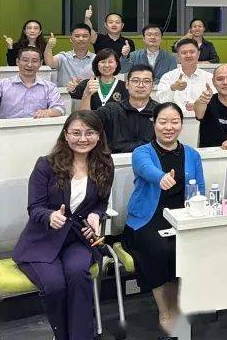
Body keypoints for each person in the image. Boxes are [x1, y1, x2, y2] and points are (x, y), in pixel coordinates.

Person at [12, 111, 114, 340]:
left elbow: (101, 202)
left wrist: (96, 215)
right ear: (65, 135)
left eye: (90, 133)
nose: (83, 139)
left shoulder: (105, 164)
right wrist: (50, 216)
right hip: (43, 239)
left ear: (99, 135)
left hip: (78, 239)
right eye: (76, 133)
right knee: (55, 285)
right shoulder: (46, 165)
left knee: (78, 275)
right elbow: (34, 207)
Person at [123, 102, 204, 338]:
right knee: (159, 249)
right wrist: (161, 178)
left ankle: (178, 307)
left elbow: (200, 189)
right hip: (147, 220)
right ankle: (164, 312)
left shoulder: (192, 154)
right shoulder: (142, 152)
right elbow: (146, 169)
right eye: (163, 122)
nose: (169, 127)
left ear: (181, 124)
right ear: (154, 123)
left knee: (184, 248)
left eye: (174, 122)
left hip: (182, 217)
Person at [0, 48, 65, 118]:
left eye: (34, 61)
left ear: (40, 63)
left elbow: (60, 109)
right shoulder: (3, 84)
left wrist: (48, 112)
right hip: (7, 132)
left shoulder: (49, 86)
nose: (29, 64)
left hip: (38, 130)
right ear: (17, 61)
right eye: (25, 60)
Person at [87, 65, 157, 153]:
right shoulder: (111, 110)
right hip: (114, 160)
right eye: (135, 81)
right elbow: (85, 121)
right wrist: (86, 95)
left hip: (151, 159)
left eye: (146, 81)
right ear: (127, 85)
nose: (140, 85)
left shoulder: (160, 111)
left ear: (152, 86)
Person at [155, 38, 215, 110]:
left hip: (202, 116)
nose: (188, 55)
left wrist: (201, 105)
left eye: (192, 52)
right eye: (184, 52)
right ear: (178, 56)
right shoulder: (168, 77)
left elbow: (217, 103)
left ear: (198, 54)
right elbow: (160, 101)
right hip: (175, 116)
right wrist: (172, 88)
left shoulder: (209, 77)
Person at [45, 24, 96, 91]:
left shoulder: (96, 59)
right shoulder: (63, 57)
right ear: (71, 39)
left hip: (89, 95)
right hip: (66, 96)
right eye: (77, 36)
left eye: (85, 36)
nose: (81, 39)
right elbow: (50, 63)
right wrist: (49, 47)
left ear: (90, 39)